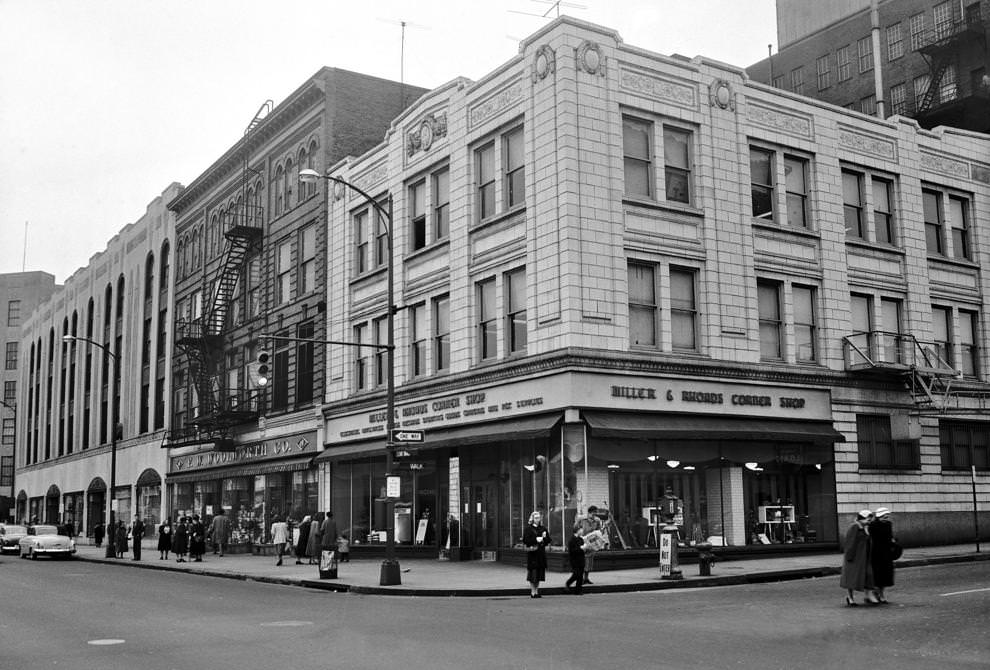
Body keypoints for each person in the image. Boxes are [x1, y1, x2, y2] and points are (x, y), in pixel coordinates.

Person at [840, 509, 877, 606]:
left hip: (865, 558)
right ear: (861, 519)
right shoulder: (854, 527)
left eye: (870, 519)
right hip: (855, 557)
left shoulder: (866, 528)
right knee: (852, 578)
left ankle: (868, 595)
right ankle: (850, 597)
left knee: (868, 575)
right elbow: (850, 542)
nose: (869, 521)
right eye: (867, 519)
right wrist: (849, 556)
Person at [523, 511, 552, 598]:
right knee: (533, 574)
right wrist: (536, 540)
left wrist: (544, 538)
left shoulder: (543, 528)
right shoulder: (528, 529)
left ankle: (537, 591)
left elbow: (549, 540)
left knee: (539, 573)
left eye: (539, 518)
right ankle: (532, 592)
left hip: (540, 554)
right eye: (536, 518)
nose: (537, 520)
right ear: (532, 519)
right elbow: (525, 540)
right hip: (533, 554)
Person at [870, 507, 896, 604]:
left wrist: (893, 541)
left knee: (886, 575)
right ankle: (875, 593)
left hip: (886, 553)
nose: (886, 519)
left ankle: (881, 594)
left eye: (887, 517)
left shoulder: (889, 524)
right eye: (884, 517)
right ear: (879, 516)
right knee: (877, 574)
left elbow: (890, 536)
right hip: (876, 553)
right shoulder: (873, 525)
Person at [574, 505, 603, 585]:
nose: (594, 515)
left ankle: (586, 578)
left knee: (589, 561)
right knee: (583, 560)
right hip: (582, 541)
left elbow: (599, 530)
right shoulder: (581, 519)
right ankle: (581, 578)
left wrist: (599, 533)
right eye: (593, 514)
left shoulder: (597, 520)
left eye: (595, 514)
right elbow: (575, 528)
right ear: (589, 513)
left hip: (591, 542)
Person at [564, 526, 586, 595]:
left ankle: (578, 590)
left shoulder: (581, 539)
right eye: (581, 530)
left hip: (581, 559)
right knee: (576, 574)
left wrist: (585, 548)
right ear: (577, 530)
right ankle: (568, 583)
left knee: (580, 576)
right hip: (574, 560)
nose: (582, 531)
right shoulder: (572, 540)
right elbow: (572, 551)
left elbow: (583, 550)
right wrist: (580, 548)